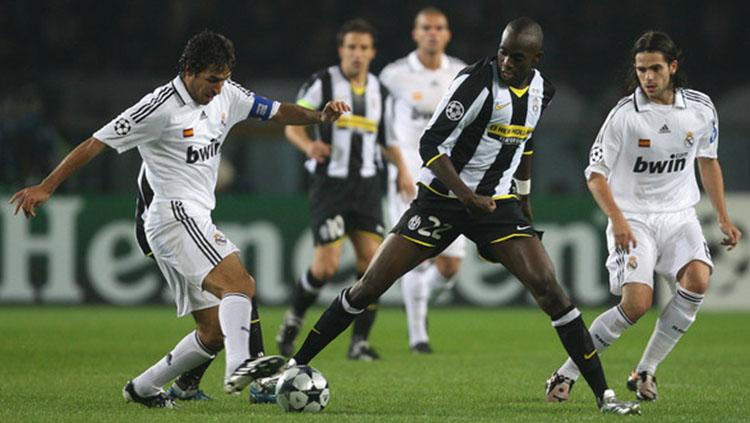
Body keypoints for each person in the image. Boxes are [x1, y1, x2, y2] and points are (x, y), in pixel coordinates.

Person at [285, 18, 641, 415]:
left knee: (550, 289)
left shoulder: (542, 90)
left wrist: (524, 202)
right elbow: (431, 143)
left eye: (517, 56)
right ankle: (294, 365)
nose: (506, 61)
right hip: (442, 199)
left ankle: (604, 397)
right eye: (503, 51)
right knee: (369, 287)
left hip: (497, 206)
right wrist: (466, 195)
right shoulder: (474, 83)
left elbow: (524, 145)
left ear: (536, 59)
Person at [9, 30, 351, 408]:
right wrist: (47, 186)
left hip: (192, 216)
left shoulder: (229, 94)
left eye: (223, 79)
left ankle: (143, 387)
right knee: (241, 285)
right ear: (189, 71)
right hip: (174, 214)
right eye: (211, 80)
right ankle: (242, 365)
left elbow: (278, 111)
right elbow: (96, 143)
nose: (218, 89)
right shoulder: (158, 107)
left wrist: (319, 115)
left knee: (213, 331)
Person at [545, 30, 741, 403]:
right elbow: (595, 175)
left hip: (679, 215)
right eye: (640, 70)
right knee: (636, 305)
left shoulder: (700, 108)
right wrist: (617, 220)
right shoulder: (624, 116)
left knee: (698, 280)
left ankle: (645, 370)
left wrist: (723, 217)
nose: (647, 78)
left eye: (655, 69)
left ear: (673, 67)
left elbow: (708, 161)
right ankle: (566, 373)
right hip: (633, 218)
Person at [276, 18, 412, 361]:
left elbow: (388, 141)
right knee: (325, 267)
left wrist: (404, 172)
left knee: (372, 266)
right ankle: (293, 320)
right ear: (341, 50)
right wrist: (309, 146)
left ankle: (360, 343)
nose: (357, 54)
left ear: (372, 53)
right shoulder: (322, 84)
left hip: (366, 186)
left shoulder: (381, 92)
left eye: (364, 48)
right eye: (351, 47)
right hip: (330, 185)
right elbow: (292, 123)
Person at [379, 7, 467, 354]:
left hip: (449, 177)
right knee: (415, 254)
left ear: (448, 34)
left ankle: (417, 302)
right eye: (426, 27)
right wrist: (400, 168)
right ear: (415, 34)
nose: (432, 33)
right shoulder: (393, 75)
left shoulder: (461, 73)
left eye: (439, 27)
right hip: (408, 175)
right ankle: (419, 336)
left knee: (449, 266)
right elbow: (384, 130)